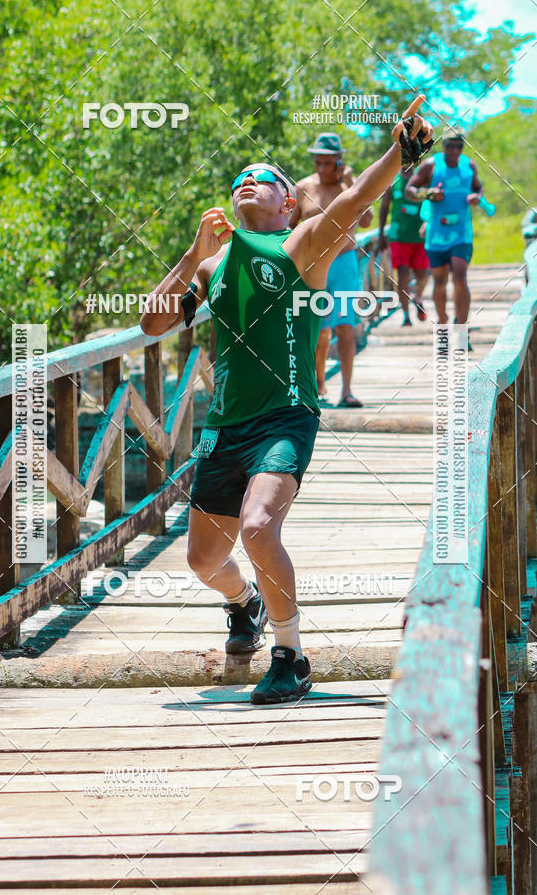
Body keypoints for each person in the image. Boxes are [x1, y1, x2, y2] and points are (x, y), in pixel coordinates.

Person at [141, 96, 434, 705]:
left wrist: (400, 153)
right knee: (202, 561)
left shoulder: (302, 245)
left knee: (258, 527)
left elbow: (354, 202)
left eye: (265, 180)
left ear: (288, 202)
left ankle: (291, 656)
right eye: (240, 180)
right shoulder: (214, 264)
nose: (248, 183)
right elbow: (151, 323)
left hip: (286, 415)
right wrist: (192, 256)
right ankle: (243, 602)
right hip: (224, 427)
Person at [290, 133, 373, 407]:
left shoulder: (351, 186)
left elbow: (368, 219)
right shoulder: (302, 187)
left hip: (344, 262)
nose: (322, 169)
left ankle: (347, 390)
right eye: (318, 163)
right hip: (312, 265)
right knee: (316, 330)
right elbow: (288, 228)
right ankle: (317, 385)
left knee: (344, 327)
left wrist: (349, 182)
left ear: (339, 161)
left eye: (328, 163)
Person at [405, 125, 483, 343]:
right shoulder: (431, 166)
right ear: (443, 145)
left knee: (460, 276)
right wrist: (428, 193)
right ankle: (442, 323)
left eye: (459, 146)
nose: (454, 150)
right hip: (436, 234)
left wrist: (476, 197)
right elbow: (409, 191)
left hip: (461, 233)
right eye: (450, 145)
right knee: (440, 280)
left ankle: (461, 330)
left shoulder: (470, 166)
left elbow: (478, 188)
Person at [378, 167, 429, 326]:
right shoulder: (393, 180)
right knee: (403, 274)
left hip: (420, 236)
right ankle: (406, 315)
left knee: (423, 274)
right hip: (398, 236)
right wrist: (381, 233)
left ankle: (418, 297)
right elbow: (385, 207)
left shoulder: (422, 178)